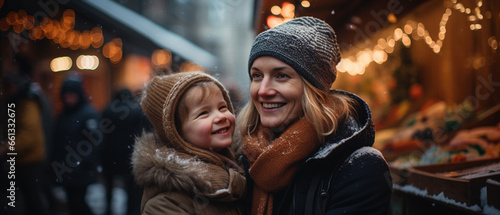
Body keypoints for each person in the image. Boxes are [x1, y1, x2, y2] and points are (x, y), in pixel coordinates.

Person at [236, 16, 392, 215]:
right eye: (257, 75)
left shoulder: (360, 167)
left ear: (314, 89)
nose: (262, 90)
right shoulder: (244, 154)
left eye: (281, 75)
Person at [131, 72, 246, 214]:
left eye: (223, 107)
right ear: (176, 132)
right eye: (203, 113)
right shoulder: (165, 203)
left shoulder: (244, 162)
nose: (221, 116)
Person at [1, 72, 50, 215]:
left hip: (30, 161)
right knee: (29, 200)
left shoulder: (26, 103)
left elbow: (28, 136)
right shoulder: (18, 102)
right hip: (23, 160)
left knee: (32, 201)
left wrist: (6, 147)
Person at [52, 74, 100, 215]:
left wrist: (82, 160)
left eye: (71, 95)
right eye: (66, 96)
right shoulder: (63, 115)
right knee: (73, 204)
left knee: (78, 203)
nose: (69, 99)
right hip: (66, 169)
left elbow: (95, 141)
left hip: (80, 170)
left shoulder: (87, 114)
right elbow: (57, 141)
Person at [101, 88, 151, 215]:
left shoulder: (108, 110)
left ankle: (108, 209)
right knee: (132, 189)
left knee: (109, 188)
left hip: (110, 155)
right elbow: (143, 132)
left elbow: (102, 134)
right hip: (130, 155)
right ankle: (131, 211)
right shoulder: (137, 111)